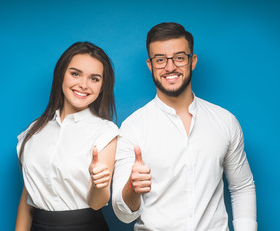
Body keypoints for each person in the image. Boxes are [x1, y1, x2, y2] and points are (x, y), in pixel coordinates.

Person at [112, 22, 257, 231]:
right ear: (150, 65)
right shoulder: (132, 128)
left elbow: (242, 187)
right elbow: (122, 215)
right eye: (160, 60)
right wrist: (132, 189)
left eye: (179, 57)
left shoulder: (225, 121)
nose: (170, 67)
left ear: (192, 61)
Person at [15, 41, 118, 231]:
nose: (83, 85)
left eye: (94, 79)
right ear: (61, 74)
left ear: (102, 86)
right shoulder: (34, 131)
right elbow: (28, 196)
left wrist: (98, 184)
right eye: (75, 74)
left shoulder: (106, 131)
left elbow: (98, 202)